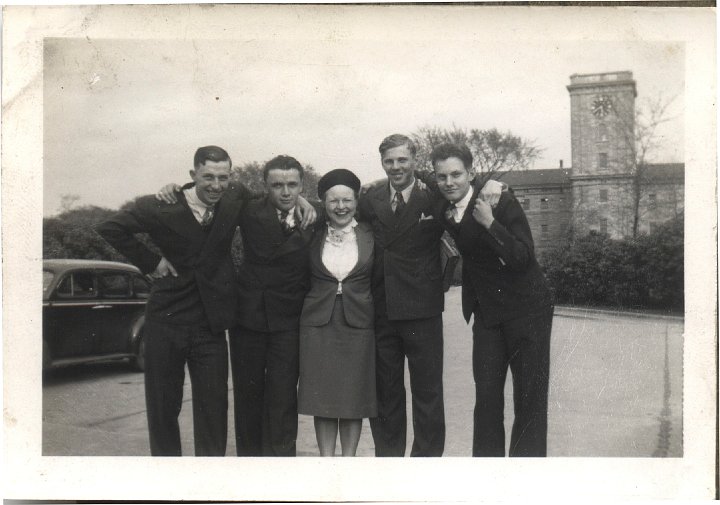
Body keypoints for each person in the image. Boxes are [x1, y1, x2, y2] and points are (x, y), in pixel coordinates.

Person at [154, 155, 318, 457]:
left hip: (289, 321)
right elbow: (212, 189)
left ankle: (281, 467)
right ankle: (249, 466)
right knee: (248, 396)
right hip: (248, 319)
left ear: (302, 186)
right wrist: (177, 189)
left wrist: (305, 203)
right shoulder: (248, 206)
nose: (285, 192)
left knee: (283, 399)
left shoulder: (314, 215)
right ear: (265, 187)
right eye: (277, 185)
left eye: (292, 185)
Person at [96, 145, 247, 456]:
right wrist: (151, 262)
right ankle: (168, 480)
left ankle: (209, 481)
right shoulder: (160, 206)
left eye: (223, 177)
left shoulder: (234, 197)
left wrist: (300, 199)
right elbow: (110, 227)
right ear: (193, 175)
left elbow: (270, 197)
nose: (216, 185)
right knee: (164, 406)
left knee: (214, 406)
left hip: (211, 323)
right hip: (168, 318)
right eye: (208, 177)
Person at [359, 134, 503, 457]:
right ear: (382, 162)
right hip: (382, 310)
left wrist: (494, 182)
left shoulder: (434, 196)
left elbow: (469, 192)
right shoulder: (370, 199)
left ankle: (426, 465)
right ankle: (390, 464)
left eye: (402, 160)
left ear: (414, 160)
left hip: (422, 310)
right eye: (389, 161)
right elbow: (337, 211)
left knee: (427, 394)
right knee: (387, 393)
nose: (396, 167)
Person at [429, 142, 554, 457]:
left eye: (456, 174)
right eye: (441, 176)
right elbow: (412, 181)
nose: (449, 182)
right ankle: (487, 477)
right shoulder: (442, 207)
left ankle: (525, 479)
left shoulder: (501, 201)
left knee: (529, 399)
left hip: (528, 310)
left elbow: (523, 256)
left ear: (471, 174)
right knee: (486, 399)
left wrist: (490, 223)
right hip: (486, 313)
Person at [297, 169, 376, 457]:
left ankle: (348, 462)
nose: (341, 207)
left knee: (353, 397)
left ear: (357, 201)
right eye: (333, 201)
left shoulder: (370, 234)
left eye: (347, 200)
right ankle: (326, 461)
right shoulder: (311, 232)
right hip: (319, 324)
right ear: (323, 203)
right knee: (324, 398)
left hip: (359, 324)